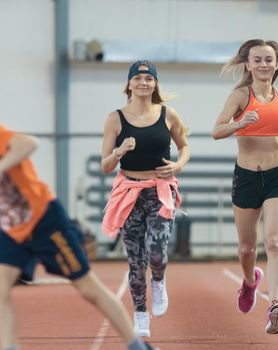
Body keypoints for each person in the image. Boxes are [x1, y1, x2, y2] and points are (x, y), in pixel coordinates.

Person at [0, 124, 156, 350]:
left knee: (87, 288)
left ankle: (137, 346)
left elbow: (29, 143)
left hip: (44, 220)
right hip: (12, 229)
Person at [212, 39, 278, 334]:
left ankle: (275, 305)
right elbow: (216, 130)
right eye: (258, 60)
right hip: (246, 177)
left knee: (274, 242)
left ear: (277, 64)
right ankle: (249, 281)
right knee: (246, 248)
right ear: (248, 65)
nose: (264, 65)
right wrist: (240, 124)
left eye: (269, 60)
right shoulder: (240, 96)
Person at [101, 60, 190, 337]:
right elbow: (105, 165)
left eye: (149, 79)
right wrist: (118, 152)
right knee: (136, 260)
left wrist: (178, 166)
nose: (143, 83)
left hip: (159, 190)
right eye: (138, 78)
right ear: (128, 84)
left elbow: (184, 145)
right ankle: (140, 313)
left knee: (156, 251)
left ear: (155, 84)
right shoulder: (115, 118)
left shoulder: (168, 114)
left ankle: (159, 280)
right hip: (129, 193)